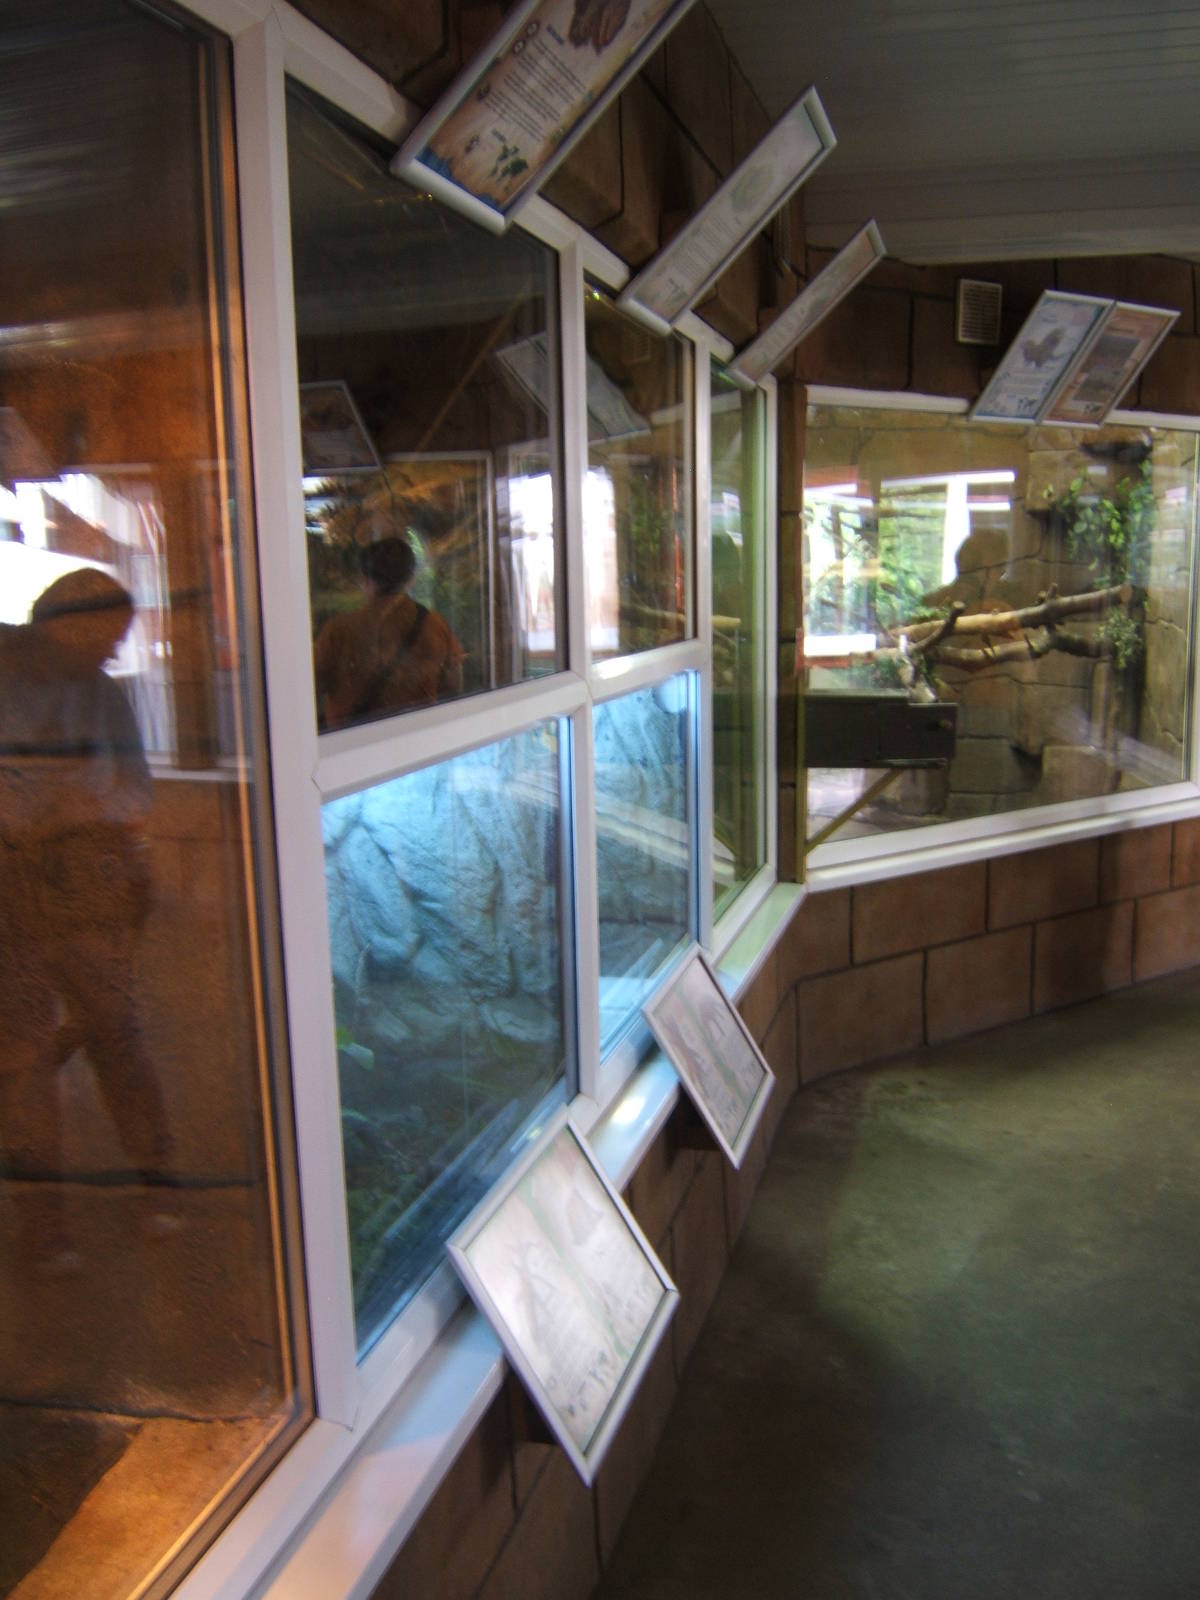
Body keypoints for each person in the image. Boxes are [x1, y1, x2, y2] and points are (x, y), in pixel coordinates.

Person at [0, 568, 173, 1271]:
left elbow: (138, 790)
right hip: (10, 892)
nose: (112, 651)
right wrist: (42, 810)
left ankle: (159, 1185)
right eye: (104, 635)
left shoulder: (103, 693)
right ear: (61, 622)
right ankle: (45, 1225)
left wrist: (90, 806)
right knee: (22, 1059)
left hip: (90, 889)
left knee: (117, 1034)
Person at [313, 532, 465, 730]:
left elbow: (314, 686)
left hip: (351, 741)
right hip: (419, 734)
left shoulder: (338, 630)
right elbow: (453, 685)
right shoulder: (436, 625)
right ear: (410, 579)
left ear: (364, 579)